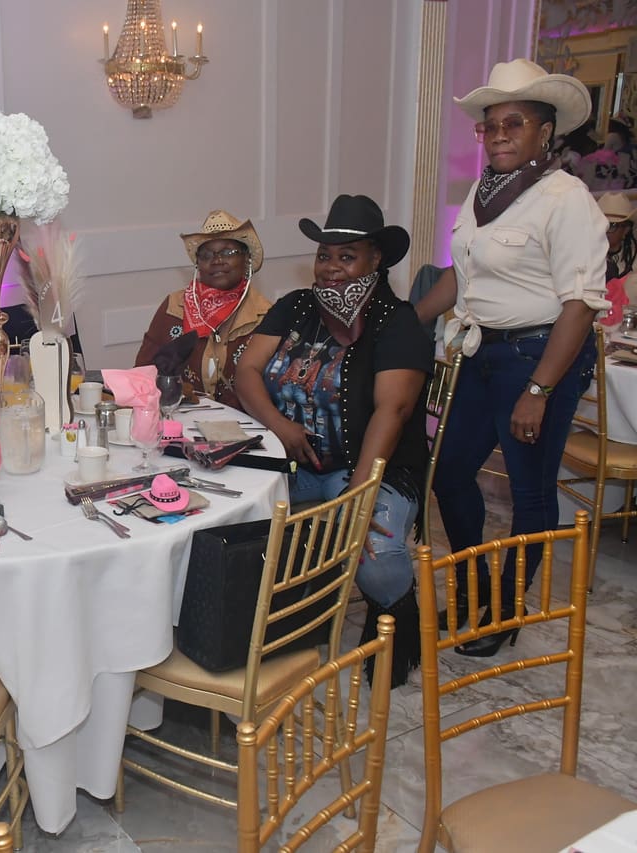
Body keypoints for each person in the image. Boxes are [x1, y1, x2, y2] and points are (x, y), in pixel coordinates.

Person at [416, 59, 609, 656]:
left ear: (545, 131)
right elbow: (463, 275)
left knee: (529, 490)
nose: (497, 134)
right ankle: (475, 593)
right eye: (489, 125)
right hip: (480, 354)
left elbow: (580, 305)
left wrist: (541, 390)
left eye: (513, 123)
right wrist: (404, 321)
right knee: (448, 473)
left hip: (539, 357)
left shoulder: (566, 198)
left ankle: (504, 609)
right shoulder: (484, 193)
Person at [236, 194, 430, 686]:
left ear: (375, 259)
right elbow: (247, 370)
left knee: (375, 552)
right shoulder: (295, 306)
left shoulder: (396, 321)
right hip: (295, 460)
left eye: (347, 257)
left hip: (368, 465)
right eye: (325, 256)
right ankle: (259, 623)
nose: (331, 268)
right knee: (223, 510)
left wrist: (359, 494)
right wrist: (281, 428)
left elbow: (395, 409)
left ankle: (397, 614)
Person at [133, 210, 272, 408]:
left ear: (246, 259)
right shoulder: (174, 306)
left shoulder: (266, 315)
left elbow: (272, 391)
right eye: (207, 254)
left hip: (246, 429)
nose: (217, 260)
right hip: (179, 421)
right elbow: (142, 373)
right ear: (197, 264)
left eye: (228, 252)